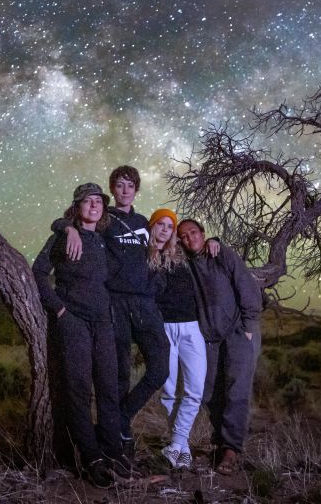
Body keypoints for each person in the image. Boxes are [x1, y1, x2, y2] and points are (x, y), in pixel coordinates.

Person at [52, 166, 169, 458]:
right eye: (119, 185)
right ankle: (115, 441)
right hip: (115, 303)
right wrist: (67, 229)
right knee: (118, 376)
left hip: (145, 303)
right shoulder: (105, 219)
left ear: (136, 189)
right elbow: (67, 221)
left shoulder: (143, 222)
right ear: (112, 190)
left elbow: (165, 242)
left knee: (159, 369)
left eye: (130, 185)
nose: (125, 190)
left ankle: (120, 420)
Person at [32, 183, 126, 488]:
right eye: (88, 201)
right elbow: (38, 271)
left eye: (99, 201)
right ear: (77, 206)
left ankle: (114, 454)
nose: (95, 205)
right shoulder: (62, 236)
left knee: (109, 389)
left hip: (104, 323)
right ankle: (92, 459)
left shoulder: (102, 240)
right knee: (79, 390)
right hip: (74, 321)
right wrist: (58, 309)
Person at [176, 218, 263, 475]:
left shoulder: (222, 254)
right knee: (208, 391)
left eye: (193, 232)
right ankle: (222, 439)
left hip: (239, 331)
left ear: (203, 234)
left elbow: (246, 287)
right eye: (184, 236)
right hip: (209, 337)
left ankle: (231, 449)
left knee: (237, 389)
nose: (190, 238)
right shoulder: (185, 265)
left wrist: (248, 325)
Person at [147, 208, 207, 471]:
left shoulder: (181, 255)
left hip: (191, 327)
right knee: (169, 390)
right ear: (151, 228)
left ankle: (176, 443)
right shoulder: (143, 256)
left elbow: (202, 243)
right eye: (159, 224)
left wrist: (214, 242)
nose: (164, 230)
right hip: (163, 328)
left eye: (169, 226)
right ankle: (180, 448)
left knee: (195, 389)